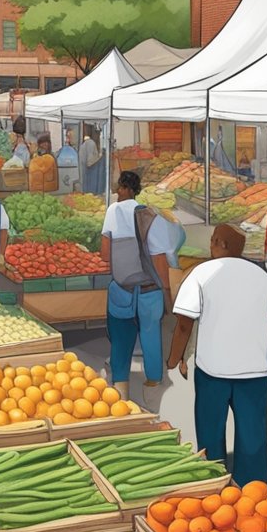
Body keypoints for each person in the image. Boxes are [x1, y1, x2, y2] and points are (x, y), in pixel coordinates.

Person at [166, 224, 267, 486]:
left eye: (212, 241)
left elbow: (184, 323)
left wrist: (175, 358)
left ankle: (215, 485)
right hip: (255, 370)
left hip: (213, 370)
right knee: (252, 433)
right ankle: (253, 490)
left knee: (210, 432)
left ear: (219, 243)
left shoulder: (201, 274)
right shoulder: (259, 275)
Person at [101, 171, 175, 400]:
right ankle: (153, 381)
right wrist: (167, 292)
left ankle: (120, 387)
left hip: (122, 289)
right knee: (151, 335)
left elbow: (105, 253)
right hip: (150, 290)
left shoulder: (113, 211)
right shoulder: (151, 217)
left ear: (124, 188)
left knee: (121, 336)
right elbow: (160, 260)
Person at [81, 130, 104, 195]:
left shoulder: (85, 144)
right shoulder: (91, 143)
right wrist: (100, 158)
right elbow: (90, 162)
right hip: (90, 175)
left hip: (86, 175)